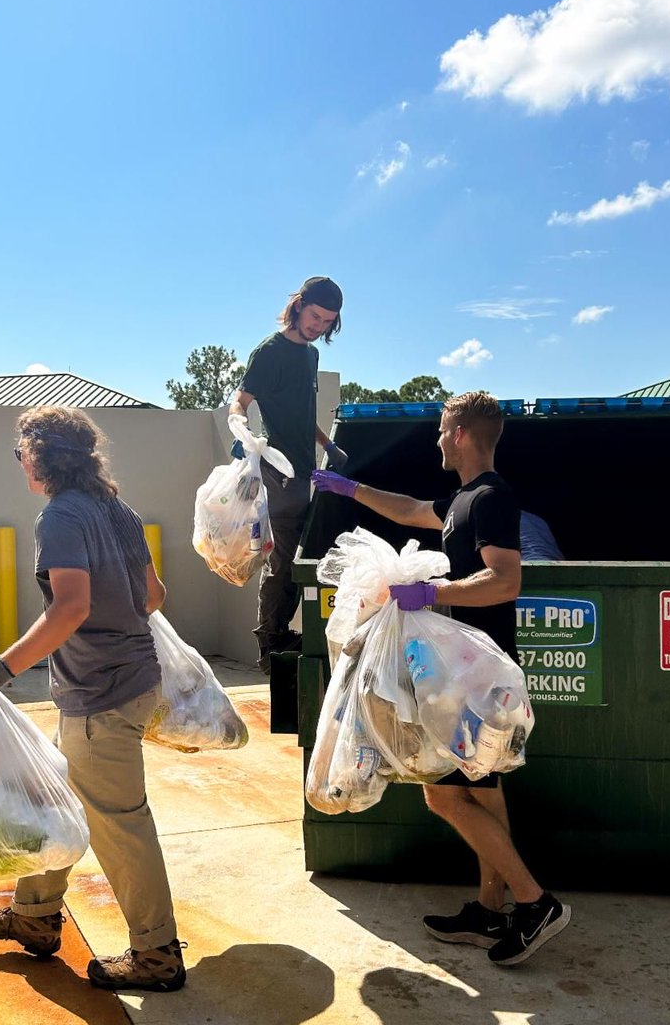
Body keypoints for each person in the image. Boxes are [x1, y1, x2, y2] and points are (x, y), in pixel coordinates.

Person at [311, 391, 571, 967]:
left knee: (440, 792)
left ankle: (534, 902)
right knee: (482, 787)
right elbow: (408, 509)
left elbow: (505, 581)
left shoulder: (494, 498)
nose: (434, 439)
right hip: (472, 672)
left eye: (439, 430)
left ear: (457, 432)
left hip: (476, 675)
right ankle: (491, 907)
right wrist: (350, 489)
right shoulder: (462, 499)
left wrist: (433, 593)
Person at [0, 406, 186, 992]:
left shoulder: (60, 516)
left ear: (41, 457)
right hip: (131, 680)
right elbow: (153, 596)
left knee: (119, 823)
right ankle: (34, 917)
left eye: (22, 453)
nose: (20, 464)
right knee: (58, 802)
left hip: (100, 695)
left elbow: (71, 606)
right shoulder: (119, 511)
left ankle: (157, 954)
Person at [229, 276, 347, 673]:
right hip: (277, 472)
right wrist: (241, 430)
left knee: (305, 556)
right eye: (315, 316)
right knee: (284, 559)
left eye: (328, 321)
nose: (319, 326)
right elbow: (239, 402)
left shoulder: (310, 357)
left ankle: (280, 632)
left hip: (306, 473)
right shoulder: (269, 352)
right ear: (298, 306)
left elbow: (304, 414)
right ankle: (271, 641)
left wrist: (327, 445)